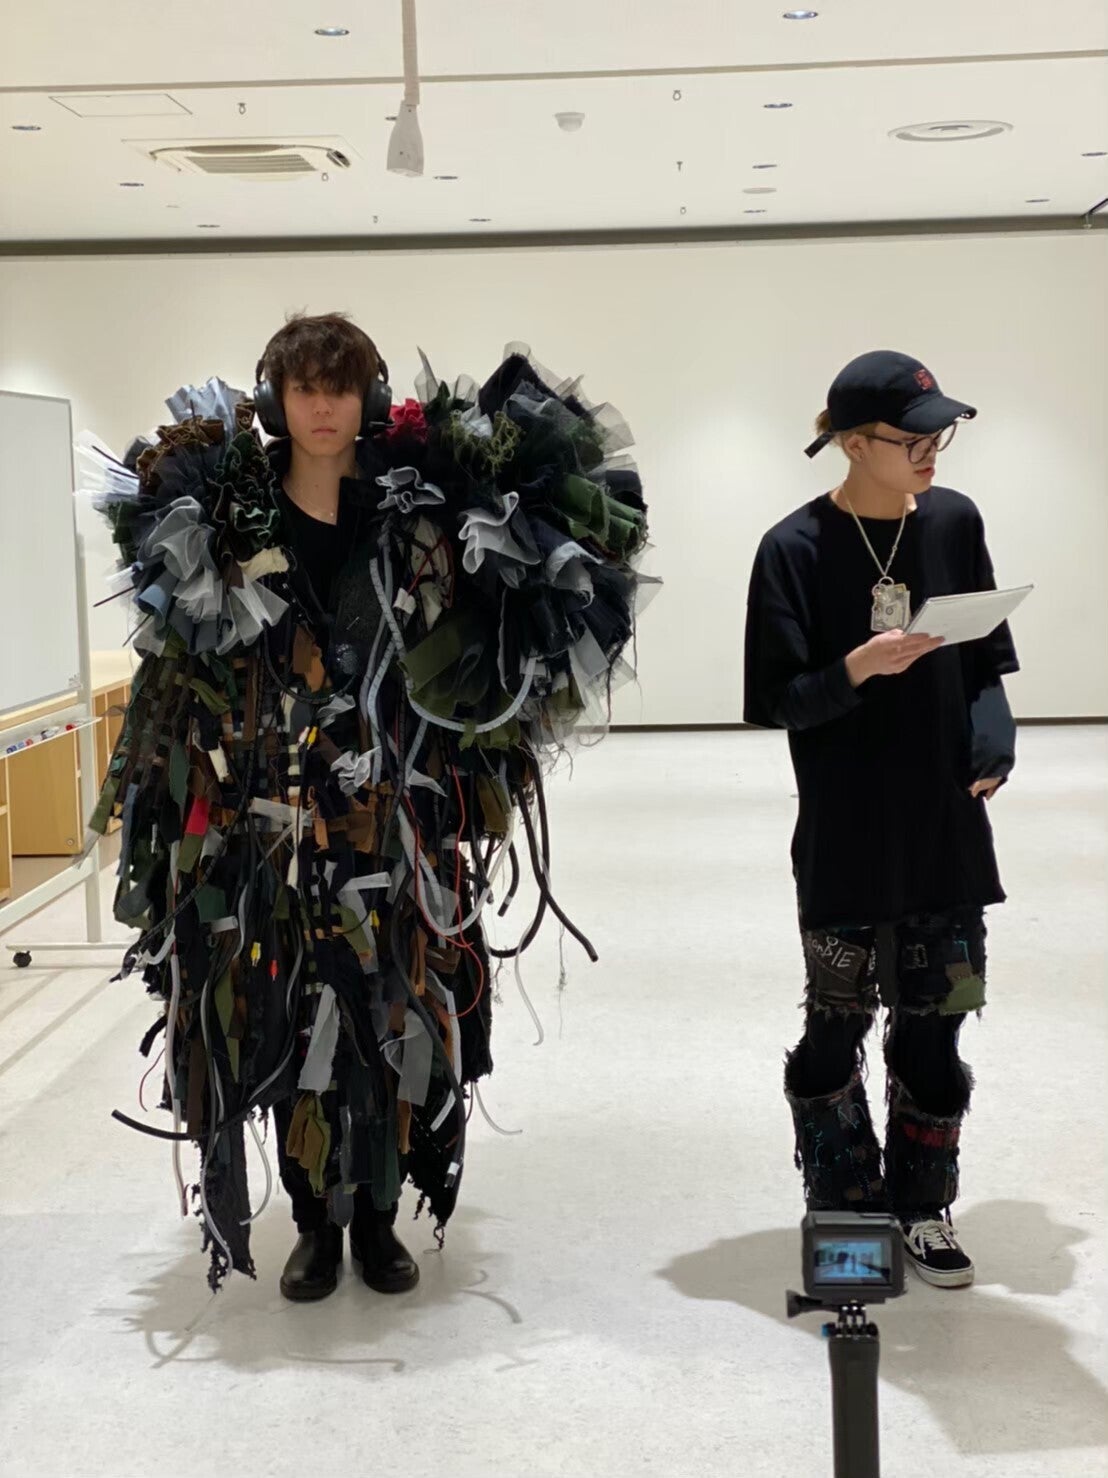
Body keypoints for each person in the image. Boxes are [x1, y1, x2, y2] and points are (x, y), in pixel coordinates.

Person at [88, 313, 651, 1299]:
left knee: (394, 1003)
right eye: (304, 387)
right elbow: (183, 670)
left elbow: (487, 645)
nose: (322, 406)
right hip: (272, 821)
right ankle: (314, 1218)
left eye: (339, 387)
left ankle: (382, 1214)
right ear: (277, 400)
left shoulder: (414, 511)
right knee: (286, 1004)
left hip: (398, 813)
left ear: (367, 397)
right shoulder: (226, 518)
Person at [743, 350, 1019, 1288]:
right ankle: (844, 1202)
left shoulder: (955, 521)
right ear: (854, 443)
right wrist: (859, 668)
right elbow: (776, 699)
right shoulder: (794, 549)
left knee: (938, 1025)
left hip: (945, 827)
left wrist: (994, 734)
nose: (931, 454)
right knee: (836, 1025)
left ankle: (923, 1205)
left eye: (941, 437)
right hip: (848, 831)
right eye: (914, 440)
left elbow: (985, 658)